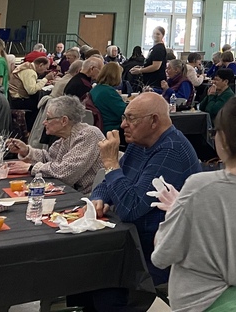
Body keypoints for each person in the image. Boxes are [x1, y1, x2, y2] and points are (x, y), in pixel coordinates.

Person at [152, 93, 236, 312]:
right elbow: (231, 229)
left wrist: (176, 212)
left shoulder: (200, 185)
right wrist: (184, 208)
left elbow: (163, 253)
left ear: (223, 138)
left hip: (203, 303)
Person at [80, 93, 201, 311]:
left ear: (154, 121)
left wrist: (110, 162)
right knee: (83, 270)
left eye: (131, 118)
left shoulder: (170, 150)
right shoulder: (140, 143)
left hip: (157, 252)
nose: (123, 124)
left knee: (102, 283)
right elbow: (110, 181)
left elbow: (130, 209)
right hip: (131, 241)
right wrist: (98, 197)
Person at [6, 95, 104, 194]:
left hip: (92, 197)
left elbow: (66, 172)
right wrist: (26, 151)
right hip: (72, 192)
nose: (44, 122)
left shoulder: (88, 135)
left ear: (64, 121)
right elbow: (49, 158)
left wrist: (31, 168)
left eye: (48, 118)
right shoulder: (63, 140)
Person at [8, 53, 53, 127]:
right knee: (41, 105)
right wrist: (46, 79)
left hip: (12, 97)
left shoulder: (25, 66)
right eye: (45, 68)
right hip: (18, 100)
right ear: (40, 65)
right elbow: (31, 90)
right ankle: (33, 129)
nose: (45, 70)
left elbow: (27, 82)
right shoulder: (30, 72)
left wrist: (41, 81)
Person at [91, 62, 127, 133]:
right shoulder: (108, 92)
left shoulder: (95, 89)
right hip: (112, 128)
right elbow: (125, 112)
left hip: (100, 126)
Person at [131, 27, 169, 91]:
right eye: (154, 33)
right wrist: (141, 67)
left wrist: (140, 70)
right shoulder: (154, 48)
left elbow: (156, 66)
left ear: (162, 36)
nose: (155, 35)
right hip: (150, 80)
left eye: (158, 34)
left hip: (155, 81)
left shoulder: (159, 49)